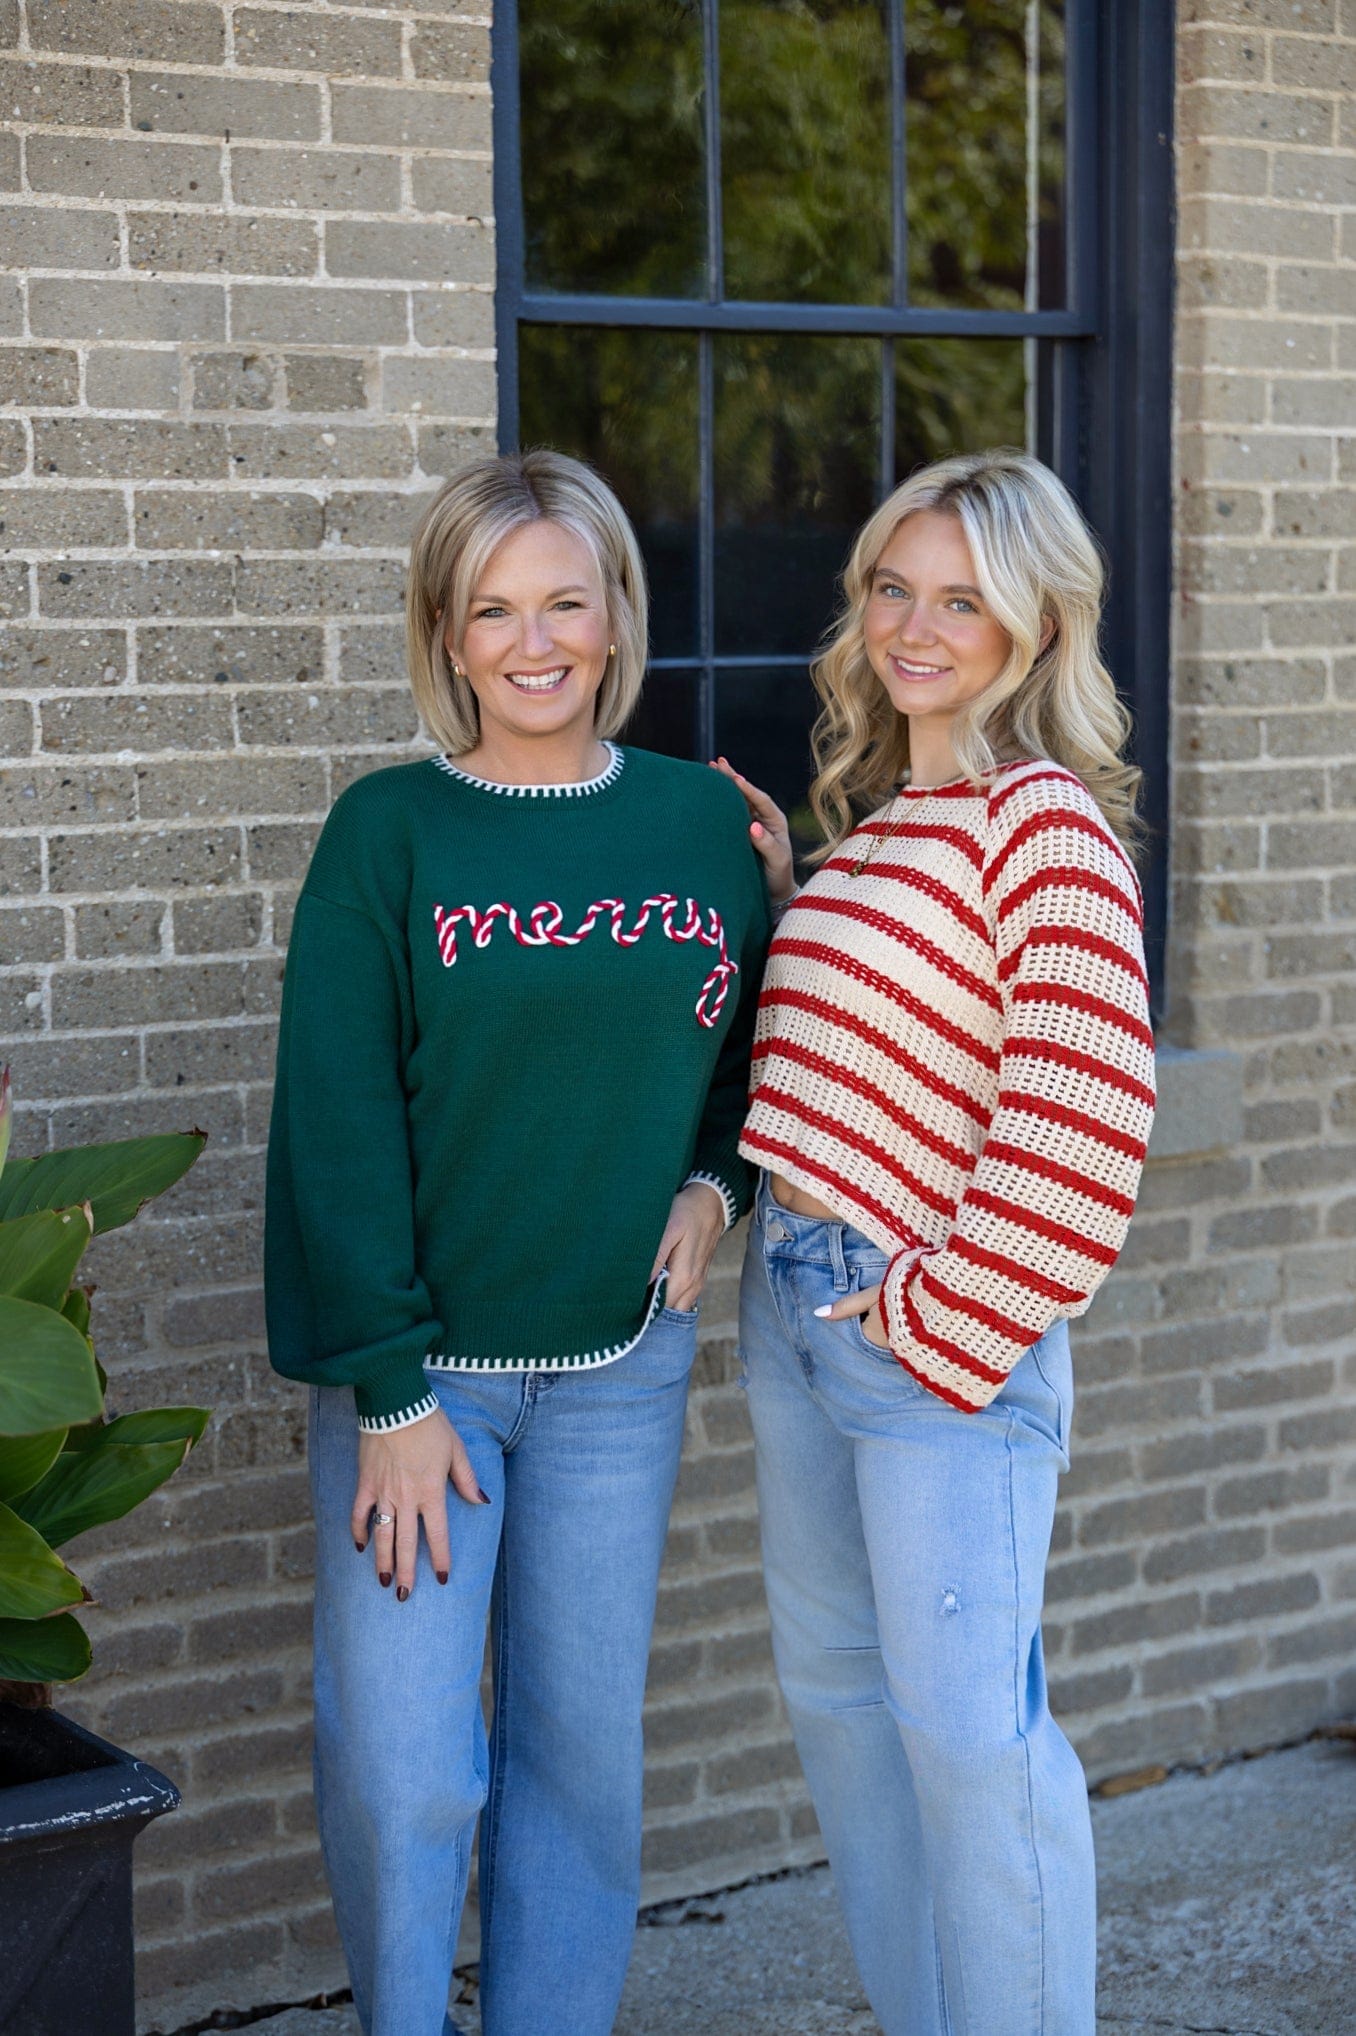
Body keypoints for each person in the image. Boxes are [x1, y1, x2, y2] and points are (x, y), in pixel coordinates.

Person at [265, 449, 769, 2036]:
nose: (534, 642)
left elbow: (758, 1061)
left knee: (578, 1768)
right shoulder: (389, 833)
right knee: (409, 1773)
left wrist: (715, 1188)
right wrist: (389, 1394)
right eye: (493, 609)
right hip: (427, 1389)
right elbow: (337, 1123)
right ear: (447, 631)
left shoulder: (703, 824)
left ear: (617, 614)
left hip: (623, 1367)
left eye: (567, 601)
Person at [717, 449, 1155, 2036]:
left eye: (963, 600)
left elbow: (1084, 1122)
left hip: (928, 1337)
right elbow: (859, 1052)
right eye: (894, 589)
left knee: (974, 1745)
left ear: (1036, 625)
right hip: (797, 1312)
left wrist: (938, 1317)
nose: (915, 626)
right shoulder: (888, 827)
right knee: (848, 1715)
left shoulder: (1045, 828)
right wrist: (789, 894)